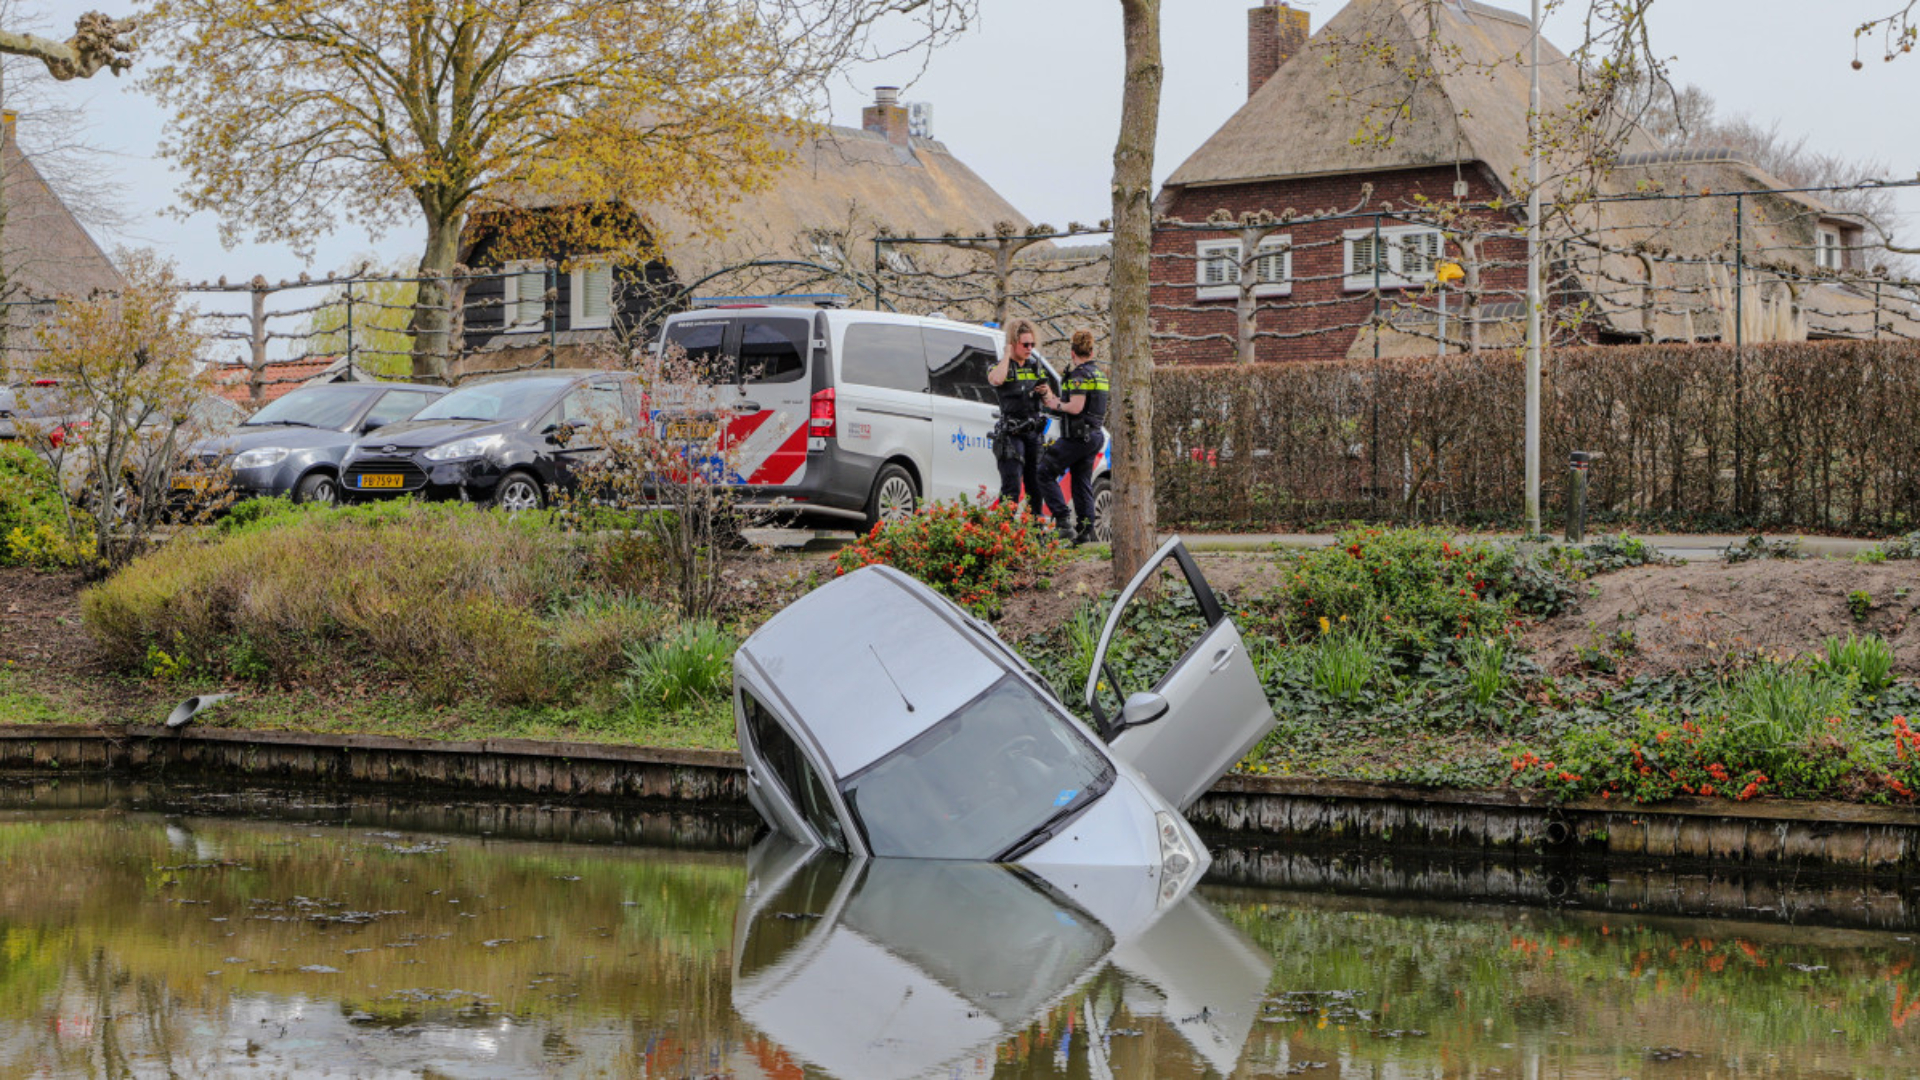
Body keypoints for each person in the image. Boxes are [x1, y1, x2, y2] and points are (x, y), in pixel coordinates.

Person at [1037, 329, 1108, 545]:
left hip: (1078, 436)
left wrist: (1055, 404)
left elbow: (1076, 407)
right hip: (1093, 435)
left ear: (1072, 352)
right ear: (1092, 350)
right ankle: (1085, 531)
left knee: (1044, 472)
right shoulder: (1099, 374)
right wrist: (1054, 399)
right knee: (1081, 482)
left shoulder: (1079, 375)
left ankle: (1062, 522)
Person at [986, 317, 1049, 515]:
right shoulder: (1001, 367)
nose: (1030, 348)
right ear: (1013, 344)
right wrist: (1006, 355)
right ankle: (1006, 532)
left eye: (1032, 344)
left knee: (1036, 486)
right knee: (1012, 485)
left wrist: (1046, 392)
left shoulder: (1035, 367)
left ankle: (1034, 532)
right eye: (1025, 344)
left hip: (1033, 433)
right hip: (1011, 433)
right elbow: (996, 379)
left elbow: (1049, 399)